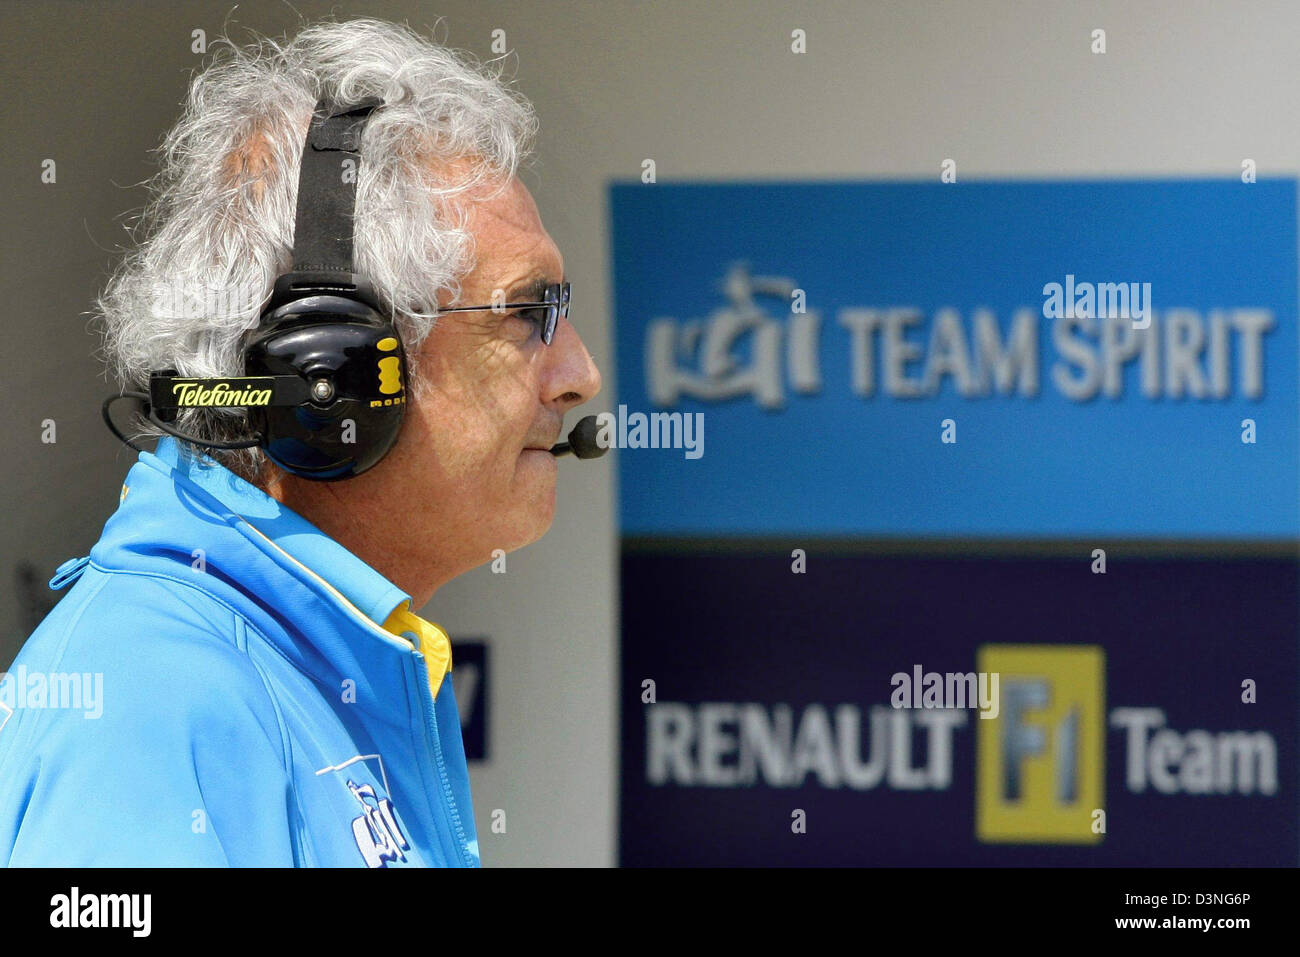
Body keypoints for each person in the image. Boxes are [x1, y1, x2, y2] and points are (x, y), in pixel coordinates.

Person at [0, 18, 601, 867]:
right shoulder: (154, 714)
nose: (580, 373)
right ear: (334, 372)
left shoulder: (322, 667)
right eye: (526, 312)